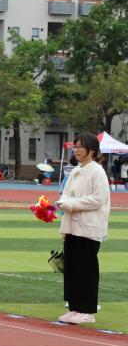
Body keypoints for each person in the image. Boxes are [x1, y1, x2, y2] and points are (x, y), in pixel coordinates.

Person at [55, 133, 110, 325]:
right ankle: (75, 307)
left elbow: (97, 199)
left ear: (92, 150)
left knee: (86, 270)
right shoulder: (76, 171)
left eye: (80, 147)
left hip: (89, 228)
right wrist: (61, 203)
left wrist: (71, 204)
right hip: (72, 227)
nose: (76, 150)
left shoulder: (97, 172)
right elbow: (65, 194)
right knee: (72, 269)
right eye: (75, 147)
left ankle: (87, 310)